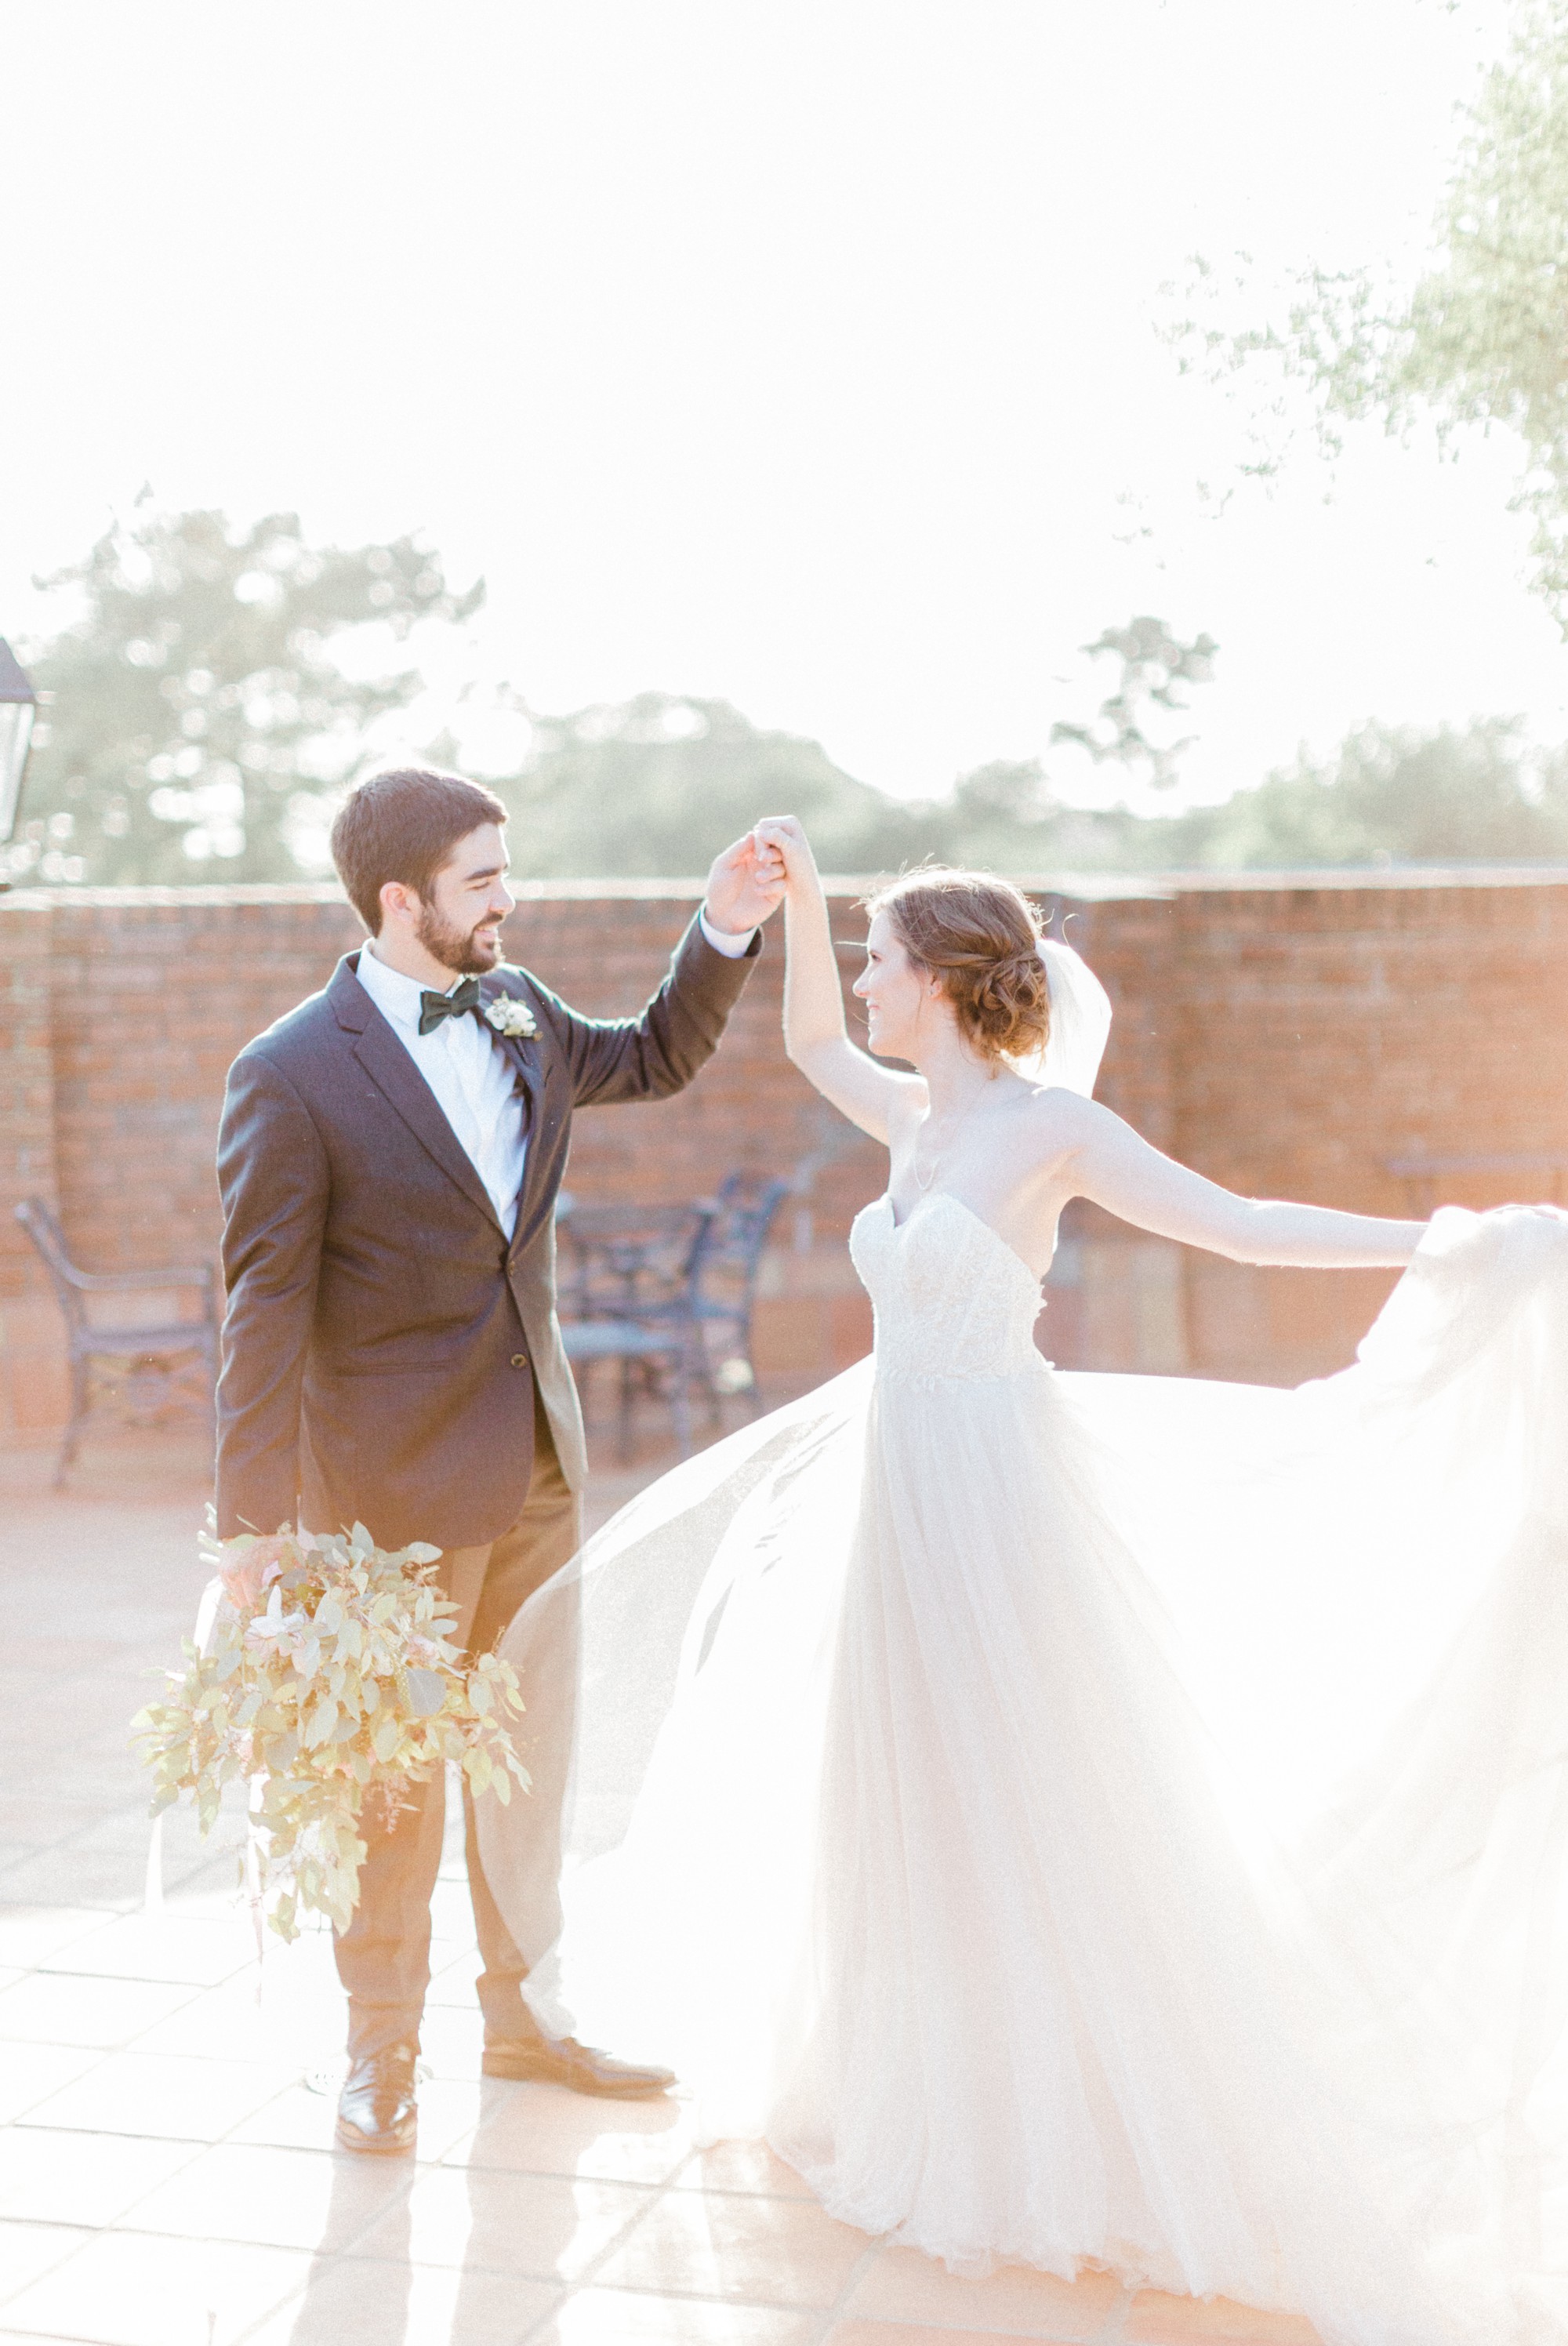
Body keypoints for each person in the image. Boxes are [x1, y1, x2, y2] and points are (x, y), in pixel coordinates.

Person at [478, 818, 1568, 2346]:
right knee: (900, 1778)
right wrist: (787, 904)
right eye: (860, 956)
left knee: (1031, 1783)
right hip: (891, 1492)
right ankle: (924, 2073)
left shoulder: (1053, 1127)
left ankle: (1075, 2103)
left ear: (936, 975)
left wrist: (1457, 1243)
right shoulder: (912, 1110)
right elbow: (797, 1031)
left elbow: (1240, 1228)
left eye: (876, 955)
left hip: (996, 1500)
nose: (861, 979)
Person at [212, 765, 784, 2155]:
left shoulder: (522, 1009)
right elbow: (263, 1304)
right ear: (401, 901)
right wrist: (250, 1522)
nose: (506, 903)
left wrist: (718, 927)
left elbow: (652, 1055)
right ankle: (380, 2050)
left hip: (540, 1464)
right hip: (387, 1493)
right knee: (391, 1780)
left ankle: (531, 2016)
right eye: (482, 883)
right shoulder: (287, 1073)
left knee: (529, 1758)